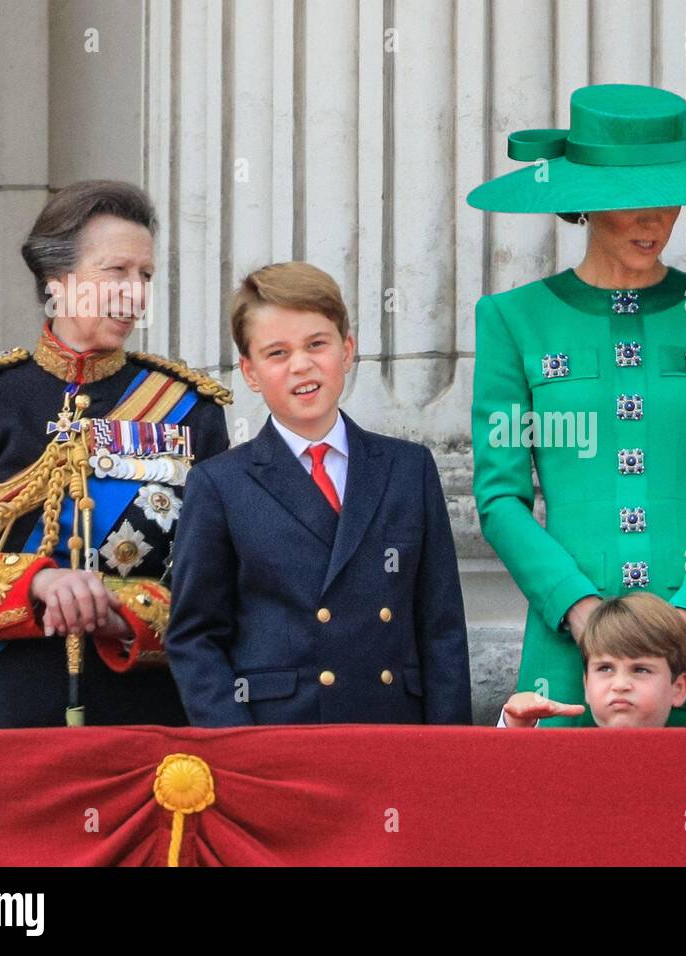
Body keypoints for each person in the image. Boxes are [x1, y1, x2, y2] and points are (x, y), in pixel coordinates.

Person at [468, 83, 686, 727]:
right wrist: (581, 613)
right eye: (629, 200)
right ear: (584, 202)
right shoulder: (513, 319)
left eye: (667, 196)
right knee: (564, 820)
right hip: (566, 651)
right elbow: (499, 497)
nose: (653, 219)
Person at [0, 180, 231, 728]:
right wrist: (37, 582)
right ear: (57, 281)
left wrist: (121, 612)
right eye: (116, 272)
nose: (136, 293)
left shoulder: (190, 409)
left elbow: (217, 588)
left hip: (142, 720)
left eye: (145, 275)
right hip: (6, 714)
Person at [165, 262, 472, 726]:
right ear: (249, 371)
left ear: (347, 350)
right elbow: (195, 637)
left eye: (316, 344)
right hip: (279, 736)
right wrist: (237, 748)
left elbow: (441, 628)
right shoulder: (220, 484)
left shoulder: (408, 468)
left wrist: (450, 756)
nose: (301, 365)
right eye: (277, 353)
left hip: (393, 729)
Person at [499, 592, 686, 729]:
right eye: (605, 668)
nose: (620, 685)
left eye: (640, 670)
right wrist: (516, 724)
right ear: (586, 685)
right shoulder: (563, 761)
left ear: (678, 688)